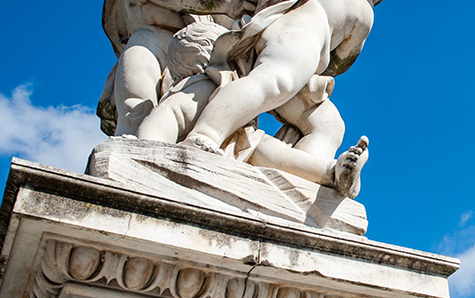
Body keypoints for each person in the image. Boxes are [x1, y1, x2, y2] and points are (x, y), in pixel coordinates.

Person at [182, 0, 397, 158]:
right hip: (301, 44)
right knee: (272, 82)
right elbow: (343, 59)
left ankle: (308, 172)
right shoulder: (364, 10)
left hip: (281, 35)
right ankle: (206, 134)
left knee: (328, 124)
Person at [137, 21, 370, 198]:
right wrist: (147, 147)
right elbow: (168, 115)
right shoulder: (197, 88)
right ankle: (331, 172)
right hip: (209, 147)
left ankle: (334, 172)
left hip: (242, 141)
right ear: (206, 57)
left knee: (272, 151)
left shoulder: (227, 86)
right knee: (270, 152)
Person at [98, 0, 252, 136]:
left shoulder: (202, 14)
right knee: (136, 109)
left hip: (186, 65)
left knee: (181, 120)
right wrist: (227, 1)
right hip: (147, 48)